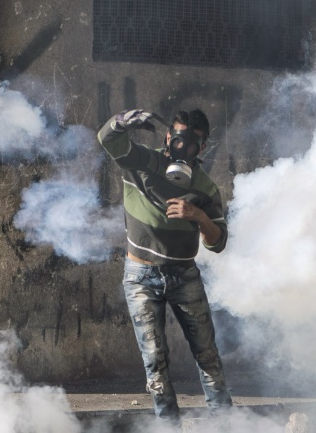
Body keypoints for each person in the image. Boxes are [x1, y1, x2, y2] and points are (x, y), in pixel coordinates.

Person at [98, 107, 233, 420]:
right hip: (140, 277)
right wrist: (122, 121)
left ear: (203, 147)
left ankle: (227, 425)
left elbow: (218, 242)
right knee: (155, 364)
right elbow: (107, 139)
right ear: (168, 136)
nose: (183, 147)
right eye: (179, 138)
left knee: (207, 355)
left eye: (193, 142)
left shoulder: (205, 187)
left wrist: (197, 216)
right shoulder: (142, 161)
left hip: (185, 276)